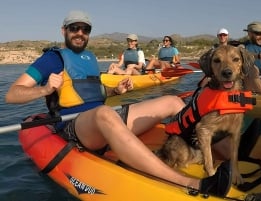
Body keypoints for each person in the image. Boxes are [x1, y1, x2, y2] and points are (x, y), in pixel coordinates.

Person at [5, 10, 231, 197]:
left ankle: (228, 150)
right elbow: (12, 95)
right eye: (74, 28)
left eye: (85, 29)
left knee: (172, 102)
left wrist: (115, 90)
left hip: (102, 118)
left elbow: (93, 95)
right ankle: (192, 183)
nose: (80, 33)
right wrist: (45, 89)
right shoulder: (51, 59)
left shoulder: (91, 58)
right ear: (64, 31)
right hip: (75, 127)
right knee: (104, 113)